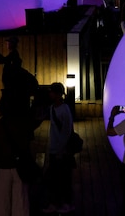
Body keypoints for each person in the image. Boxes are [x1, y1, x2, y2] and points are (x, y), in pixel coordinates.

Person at [0, 97, 35, 216]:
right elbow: (28, 145)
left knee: (2, 204)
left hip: (2, 167)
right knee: (21, 203)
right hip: (20, 168)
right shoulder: (23, 125)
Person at [42, 82, 74, 213]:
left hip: (61, 150)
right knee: (55, 178)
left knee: (61, 178)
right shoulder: (53, 108)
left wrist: (62, 149)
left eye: (51, 92)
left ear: (57, 94)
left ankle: (64, 203)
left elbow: (67, 131)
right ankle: (57, 203)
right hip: (54, 148)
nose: (49, 94)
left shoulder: (64, 109)